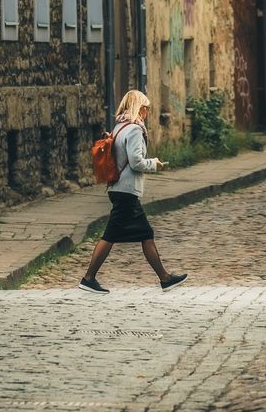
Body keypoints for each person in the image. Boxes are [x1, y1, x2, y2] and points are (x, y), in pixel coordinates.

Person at [79, 89, 187, 292]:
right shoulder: (135, 130)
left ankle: (164, 278)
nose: (147, 112)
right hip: (127, 190)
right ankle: (88, 278)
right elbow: (136, 162)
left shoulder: (120, 127)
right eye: (146, 108)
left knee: (143, 234)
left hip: (118, 188)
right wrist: (154, 163)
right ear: (140, 108)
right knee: (113, 235)